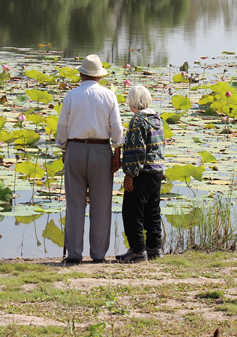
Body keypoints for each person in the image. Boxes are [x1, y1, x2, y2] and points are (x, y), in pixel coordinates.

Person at [56, 54, 124, 264]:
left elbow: (62, 128)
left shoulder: (71, 96)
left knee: (75, 204)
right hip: (100, 150)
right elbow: (117, 128)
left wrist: (64, 149)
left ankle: (74, 254)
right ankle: (98, 255)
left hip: (75, 148)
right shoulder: (108, 96)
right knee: (101, 205)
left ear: (81, 74)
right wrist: (116, 152)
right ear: (99, 77)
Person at [117, 85, 166, 263]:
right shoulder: (157, 118)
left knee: (132, 211)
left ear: (133, 101)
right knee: (153, 211)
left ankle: (137, 250)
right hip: (157, 171)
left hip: (142, 172)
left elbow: (136, 149)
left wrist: (130, 174)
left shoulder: (138, 120)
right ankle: (154, 248)